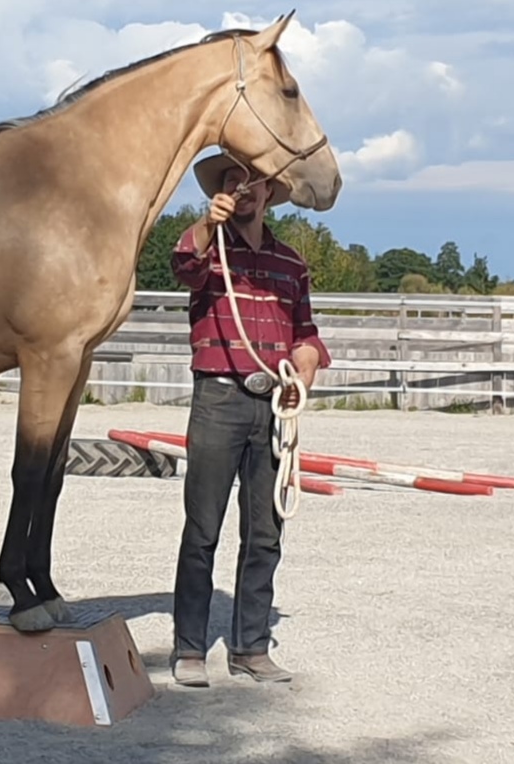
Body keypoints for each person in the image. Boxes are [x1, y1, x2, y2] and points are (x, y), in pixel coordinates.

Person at [166, 152, 332, 688]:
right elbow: (183, 265)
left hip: (272, 403)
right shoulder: (207, 251)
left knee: (265, 533)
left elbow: (306, 334)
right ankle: (190, 646)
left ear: (268, 195)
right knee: (203, 528)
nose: (243, 189)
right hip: (218, 398)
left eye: (252, 182)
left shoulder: (290, 263)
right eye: (232, 180)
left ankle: (251, 647)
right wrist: (205, 224)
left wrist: (303, 372)